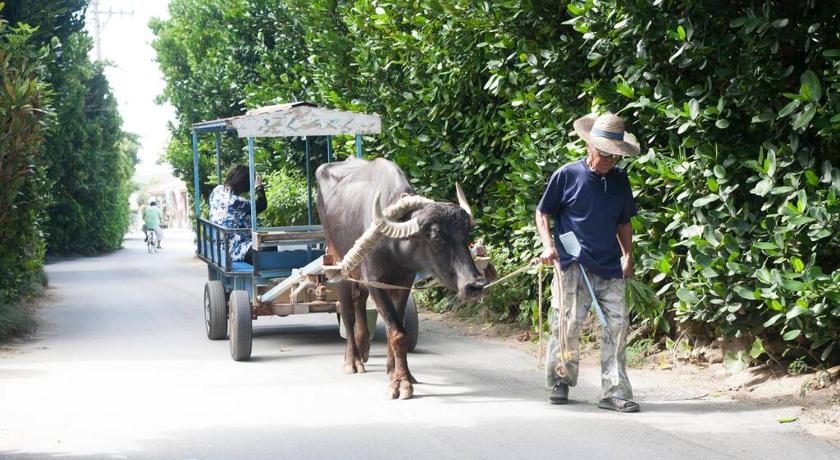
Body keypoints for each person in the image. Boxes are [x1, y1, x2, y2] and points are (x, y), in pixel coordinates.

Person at [535, 112, 641, 413]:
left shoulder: (620, 180)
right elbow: (543, 211)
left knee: (618, 325)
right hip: (572, 264)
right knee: (566, 324)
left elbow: (624, 221)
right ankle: (560, 380)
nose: (609, 160)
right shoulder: (567, 175)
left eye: (615, 156)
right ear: (589, 147)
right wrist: (548, 245)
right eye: (604, 154)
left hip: (609, 265)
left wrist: (627, 255)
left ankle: (615, 391)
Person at [209, 164, 267, 263]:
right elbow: (262, 204)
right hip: (233, 249)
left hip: (218, 245)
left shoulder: (217, 190)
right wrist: (259, 187)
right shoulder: (236, 201)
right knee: (270, 248)